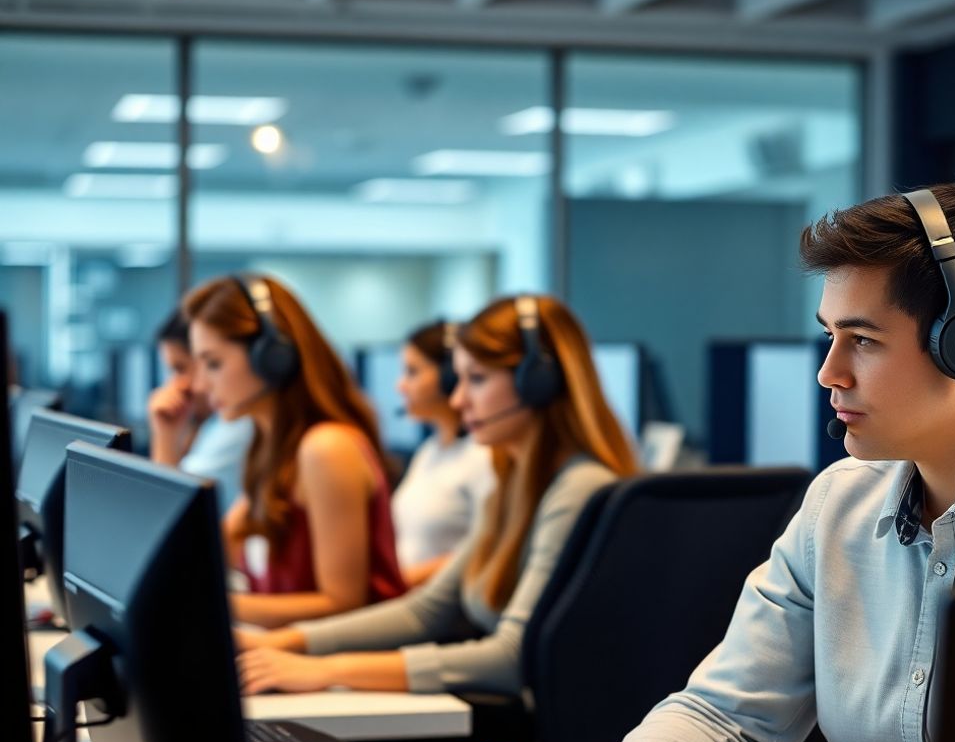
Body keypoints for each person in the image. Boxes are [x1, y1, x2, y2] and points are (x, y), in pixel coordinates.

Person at [477, 183, 955, 742]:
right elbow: (724, 716)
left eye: (861, 340)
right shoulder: (838, 505)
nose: (829, 373)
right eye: (829, 337)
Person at [234, 294, 637, 698]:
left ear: (538, 383)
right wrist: (283, 643)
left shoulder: (579, 489)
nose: (459, 400)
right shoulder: (513, 488)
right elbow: (427, 611)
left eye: (477, 379)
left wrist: (323, 669)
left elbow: (512, 658)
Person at [183, 274, 406, 628]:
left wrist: (217, 608)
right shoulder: (270, 450)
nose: (199, 385)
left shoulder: (327, 448)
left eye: (213, 363)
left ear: (272, 357)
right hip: (291, 662)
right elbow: (205, 555)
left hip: (342, 669)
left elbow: (344, 603)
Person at [391, 320, 495, 588]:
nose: (400, 386)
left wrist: (394, 584)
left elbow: (485, 553)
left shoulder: (484, 457)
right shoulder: (429, 452)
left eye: (412, 372)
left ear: (450, 377)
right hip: (407, 599)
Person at [146, 309, 253, 515]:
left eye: (180, 368)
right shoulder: (214, 424)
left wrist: (164, 438)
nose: (176, 385)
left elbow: (167, 514)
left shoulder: (240, 425)